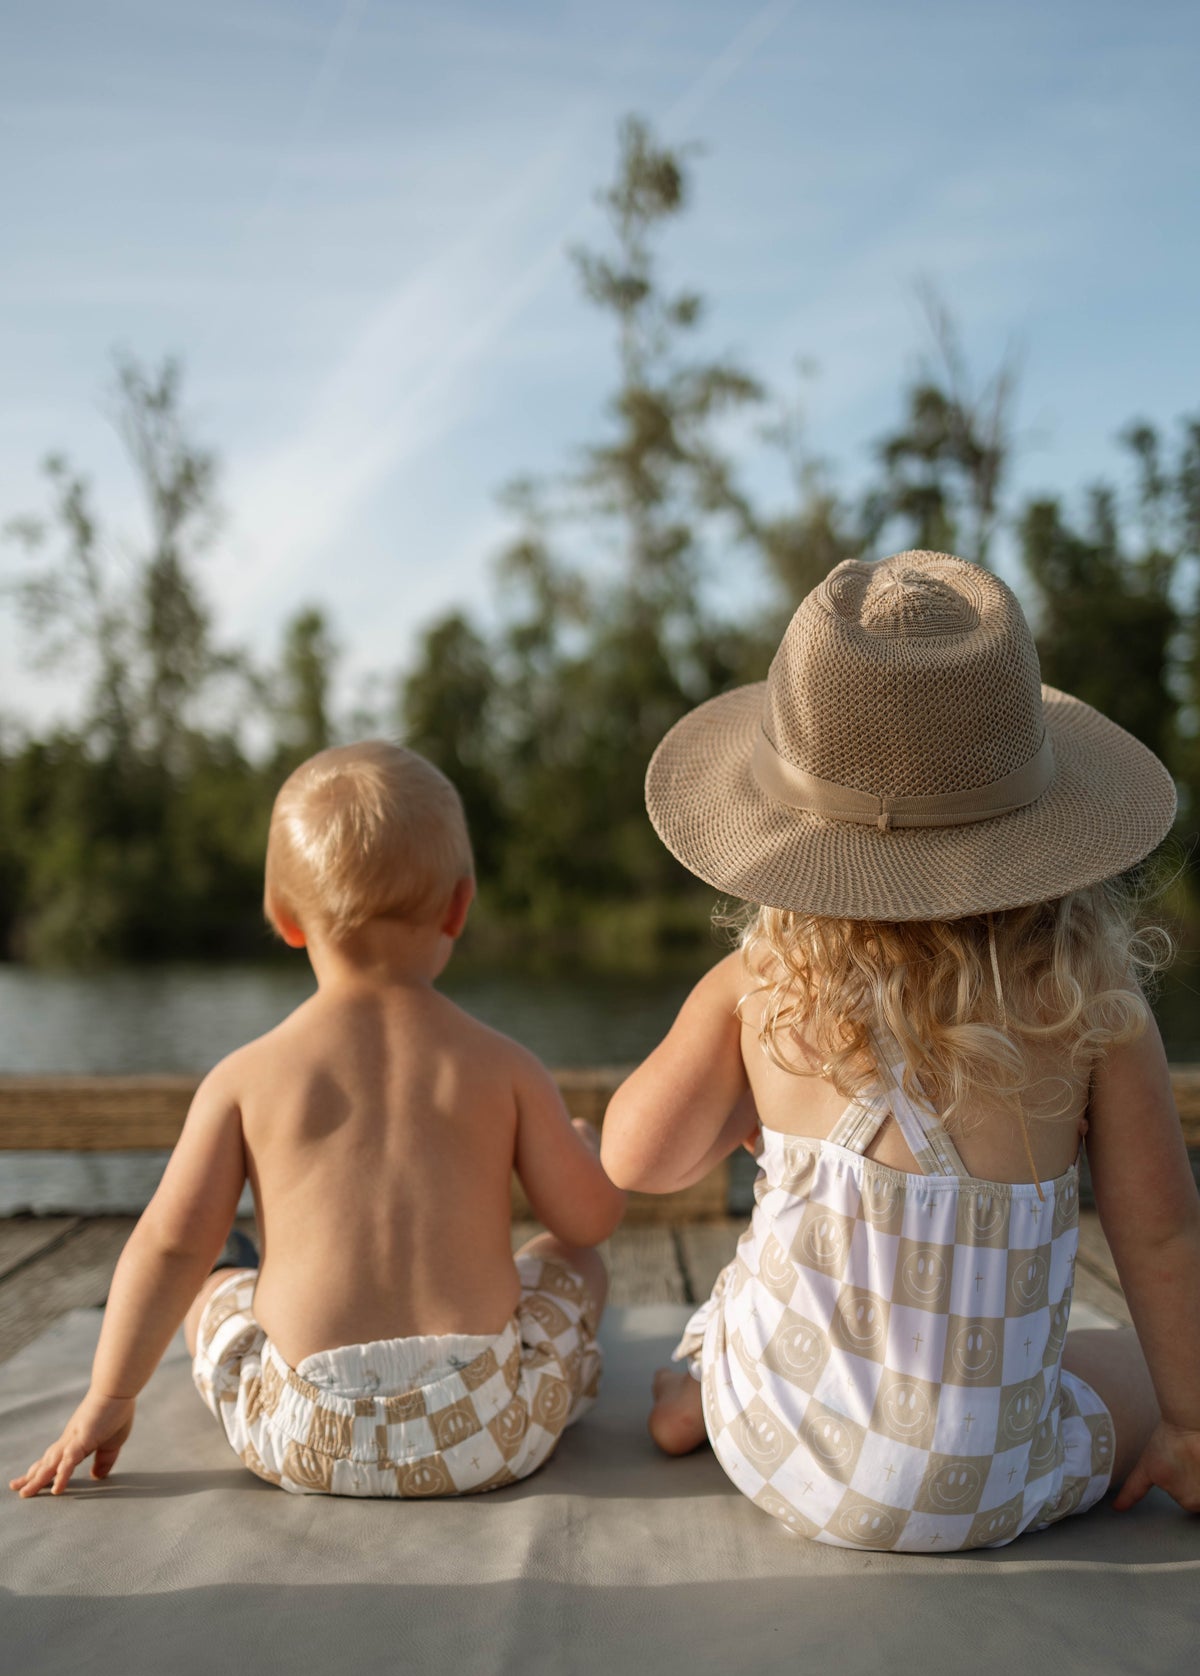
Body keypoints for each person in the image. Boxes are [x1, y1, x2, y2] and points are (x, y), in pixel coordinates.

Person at [602, 549, 1200, 1552]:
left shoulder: (761, 987)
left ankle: (703, 1385)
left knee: (766, 1269)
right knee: (1126, 1368)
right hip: (991, 1484)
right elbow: (1163, 1236)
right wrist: (1187, 1425)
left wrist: (752, 1100)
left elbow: (635, 1159)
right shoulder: (1092, 1002)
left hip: (779, 1443)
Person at [12, 742, 625, 1500]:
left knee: (213, 1280)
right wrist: (587, 1152)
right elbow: (586, 1220)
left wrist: (108, 1397)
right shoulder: (504, 1065)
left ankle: (226, 1295)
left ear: (283, 918)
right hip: (484, 1434)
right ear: (460, 905)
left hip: (301, 1435)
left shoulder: (244, 1077)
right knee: (573, 1262)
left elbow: (167, 1244)